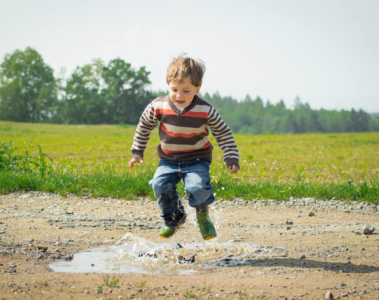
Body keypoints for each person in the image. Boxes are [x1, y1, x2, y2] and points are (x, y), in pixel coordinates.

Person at [129, 53, 239, 240]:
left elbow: (223, 133)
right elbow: (144, 126)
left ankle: (203, 217)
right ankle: (174, 218)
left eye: (186, 91)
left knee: (197, 187)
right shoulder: (158, 106)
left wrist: (231, 157)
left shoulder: (206, 110)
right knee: (159, 184)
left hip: (197, 160)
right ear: (168, 85)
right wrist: (137, 151)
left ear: (197, 88)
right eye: (175, 89)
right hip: (168, 160)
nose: (179, 95)